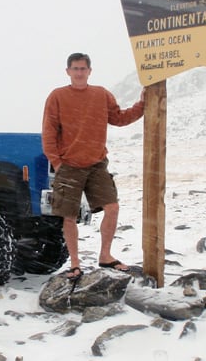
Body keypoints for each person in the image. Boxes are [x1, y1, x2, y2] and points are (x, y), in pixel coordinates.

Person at [42, 52, 145, 281]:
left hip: (97, 164)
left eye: (83, 68)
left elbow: (119, 118)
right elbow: (48, 133)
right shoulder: (57, 96)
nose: (79, 72)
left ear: (90, 71)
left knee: (113, 207)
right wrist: (57, 163)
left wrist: (143, 104)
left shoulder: (100, 94)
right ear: (68, 71)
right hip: (68, 165)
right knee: (69, 217)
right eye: (75, 68)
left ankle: (106, 255)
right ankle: (75, 264)